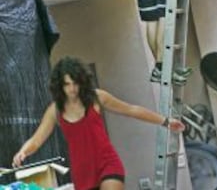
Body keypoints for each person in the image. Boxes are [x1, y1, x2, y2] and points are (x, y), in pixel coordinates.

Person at [12, 56, 185, 190]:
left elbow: (131, 110)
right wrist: (23, 152)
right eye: (67, 84)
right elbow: (36, 140)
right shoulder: (55, 110)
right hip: (82, 172)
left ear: (82, 81)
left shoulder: (97, 97)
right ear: (60, 86)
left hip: (107, 163)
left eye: (75, 83)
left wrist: (165, 121)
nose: (72, 89)